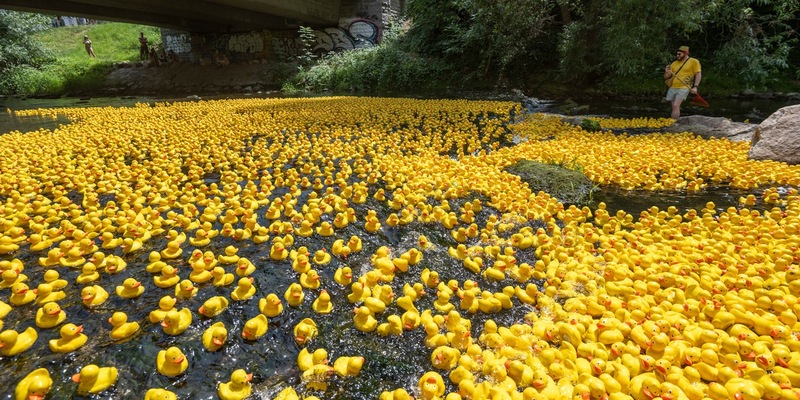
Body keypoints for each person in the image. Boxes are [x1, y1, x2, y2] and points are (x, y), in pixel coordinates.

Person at [663, 46, 701, 119]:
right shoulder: (674, 63)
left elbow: (698, 74)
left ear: (686, 53)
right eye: (677, 54)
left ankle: (673, 122)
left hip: (684, 87)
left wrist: (695, 86)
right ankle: (674, 121)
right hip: (673, 87)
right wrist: (667, 72)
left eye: (679, 54)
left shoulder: (694, 61)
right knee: (674, 106)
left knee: (676, 105)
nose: (677, 56)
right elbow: (666, 77)